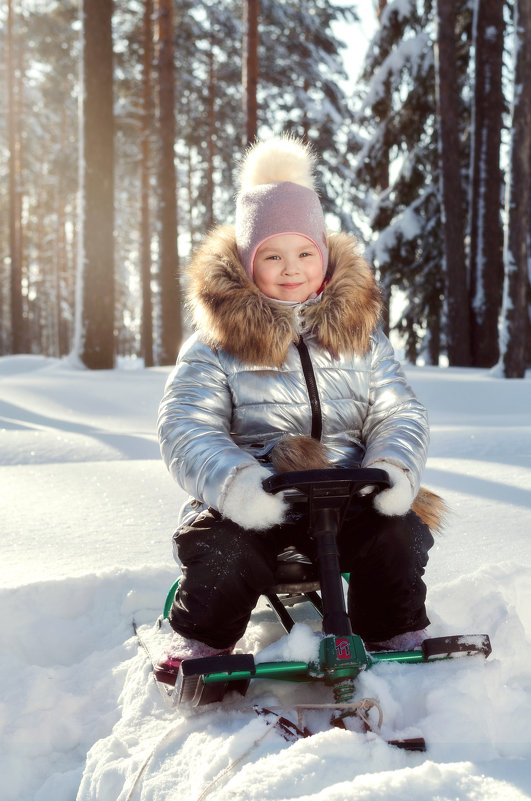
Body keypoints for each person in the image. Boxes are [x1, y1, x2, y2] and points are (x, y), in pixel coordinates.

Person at [155, 135, 437, 686]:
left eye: (305, 253)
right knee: (223, 554)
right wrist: (238, 483)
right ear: (246, 262)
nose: (292, 269)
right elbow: (185, 424)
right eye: (273, 256)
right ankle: (204, 644)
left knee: (398, 536)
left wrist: (392, 470)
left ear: (325, 257)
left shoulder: (362, 337)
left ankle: (394, 632)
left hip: (349, 493)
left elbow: (398, 412)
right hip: (260, 499)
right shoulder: (217, 344)